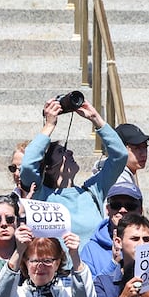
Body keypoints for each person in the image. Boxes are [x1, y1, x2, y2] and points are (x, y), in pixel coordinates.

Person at [19, 95, 128, 243]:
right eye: (61, 151)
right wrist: (49, 125)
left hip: (92, 266)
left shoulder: (93, 191)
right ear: (48, 168)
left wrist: (95, 118)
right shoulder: (41, 195)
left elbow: (120, 157)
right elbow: (27, 165)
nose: (69, 152)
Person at [112, 122, 149, 190]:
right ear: (119, 149)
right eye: (137, 148)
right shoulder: (120, 182)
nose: (143, 154)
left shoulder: (120, 173)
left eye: (145, 147)